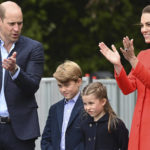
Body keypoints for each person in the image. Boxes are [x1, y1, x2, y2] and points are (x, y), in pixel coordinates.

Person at [98, 5, 150, 150]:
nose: (143, 29)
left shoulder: (137, 58)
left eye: (148, 24)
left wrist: (133, 60)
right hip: (138, 132)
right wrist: (118, 65)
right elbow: (128, 88)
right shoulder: (143, 56)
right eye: (142, 25)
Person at [0, 1, 44, 150]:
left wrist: (15, 71)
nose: (16, 29)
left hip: (19, 131)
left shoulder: (33, 48)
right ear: (0, 21)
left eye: (20, 23)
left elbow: (32, 86)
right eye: (11, 24)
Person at [41, 60, 84, 150]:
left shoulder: (88, 107)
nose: (63, 89)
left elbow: (91, 139)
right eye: (60, 86)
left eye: (67, 85)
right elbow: (46, 139)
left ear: (79, 82)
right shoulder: (54, 109)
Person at [81, 82, 128, 150]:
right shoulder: (84, 123)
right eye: (85, 104)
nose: (87, 108)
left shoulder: (116, 124)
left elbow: (125, 146)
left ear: (103, 101)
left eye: (91, 103)